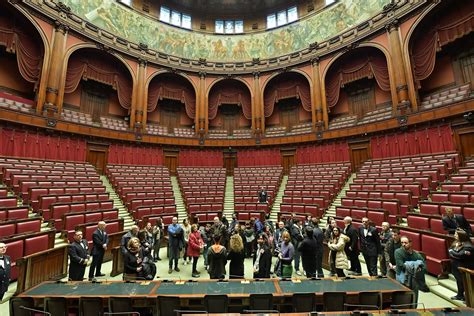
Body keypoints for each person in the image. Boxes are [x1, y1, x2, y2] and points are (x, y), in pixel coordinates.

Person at [395, 236, 429, 301]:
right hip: (402, 277)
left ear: (410, 243)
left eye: (405, 242)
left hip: (413, 278)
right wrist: (416, 266)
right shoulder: (398, 252)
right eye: (402, 243)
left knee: (414, 297)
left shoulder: (416, 254)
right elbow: (401, 265)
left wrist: (419, 267)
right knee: (403, 298)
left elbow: (424, 267)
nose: (403, 244)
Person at [448, 229, 474, 301]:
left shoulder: (468, 246)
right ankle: (460, 295)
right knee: (459, 281)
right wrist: (453, 252)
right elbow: (449, 250)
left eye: (456, 234)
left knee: (464, 282)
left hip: (464, 267)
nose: (454, 235)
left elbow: (460, 255)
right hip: (456, 266)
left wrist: (453, 252)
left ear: (461, 236)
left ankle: (468, 298)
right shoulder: (457, 242)